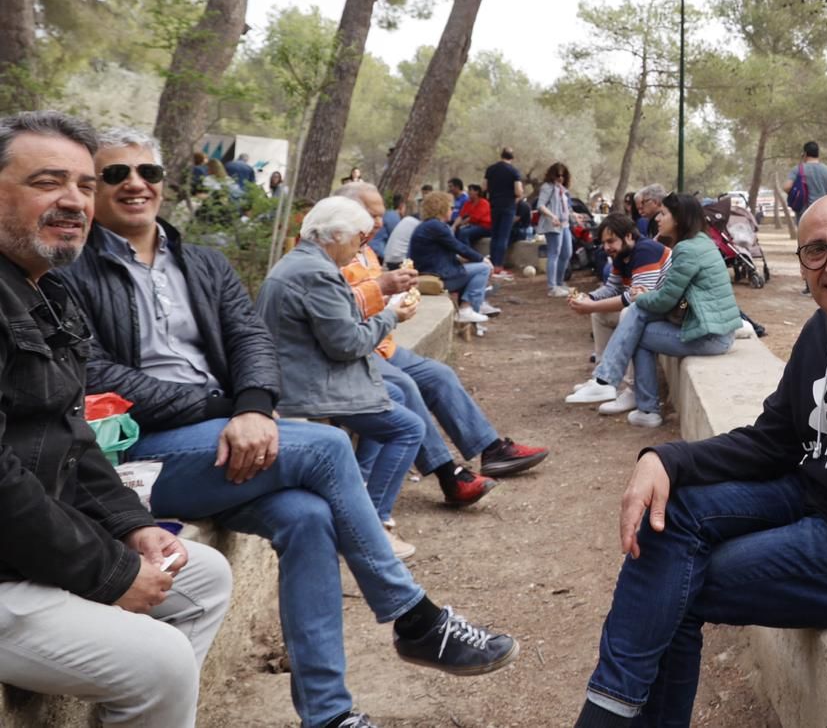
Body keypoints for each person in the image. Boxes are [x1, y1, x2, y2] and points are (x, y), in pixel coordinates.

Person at [62, 128, 516, 728]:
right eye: (116, 175)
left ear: (164, 182)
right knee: (328, 446)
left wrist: (251, 405)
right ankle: (416, 620)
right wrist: (221, 409)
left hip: (224, 435)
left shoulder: (201, 262)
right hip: (136, 453)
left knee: (309, 517)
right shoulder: (71, 271)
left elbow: (252, 339)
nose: (136, 184)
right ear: (94, 190)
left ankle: (328, 715)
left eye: (148, 171)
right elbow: (93, 372)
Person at [569, 195, 827, 728]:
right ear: (801, 263)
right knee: (668, 516)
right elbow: (771, 441)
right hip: (812, 499)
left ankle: (605, 720)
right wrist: (665, 459)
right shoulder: (820, 332)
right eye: (816, 251)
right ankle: (611, 709)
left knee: (676, 587)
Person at [0, 111, 233, 727]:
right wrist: (109, 572)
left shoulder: (45, 292)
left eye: (82, 185)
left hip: (30, 546)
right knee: (162, 661)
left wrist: (131, 527)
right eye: (48, 182)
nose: (73, 201)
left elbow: (71, 438)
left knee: (202, 574)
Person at [337, 182, 548, 504]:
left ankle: (491, 450)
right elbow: (334, 311)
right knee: (405, 387)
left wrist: (394, 296)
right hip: (358, 352)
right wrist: (383, 292)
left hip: (383, 344)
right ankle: (449, 476)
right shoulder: (333, 252)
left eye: (381, 215)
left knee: (439, 375)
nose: (380, 222)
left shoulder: (365, 250)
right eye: (372, 215)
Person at [257, 197, 428, 541]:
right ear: (335, 235)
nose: (361, 249)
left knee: (393, 392)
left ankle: (361, 487)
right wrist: (392, 316)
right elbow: (348, 343)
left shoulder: (299, 263)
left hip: (298, 372)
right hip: (304, 386)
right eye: (358, 240)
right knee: (409, 429)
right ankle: (370, 526)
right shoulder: (318, 273)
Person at [566, 193, 741, 428]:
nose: (658, 218)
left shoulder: (687, 250)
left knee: (638, 319)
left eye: (664, 213)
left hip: (711, 337)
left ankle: (625, 393)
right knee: (638, 316)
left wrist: (640, 296)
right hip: (709, 327)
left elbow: (664, 301)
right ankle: (619, 391)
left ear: (678, 219)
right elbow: (667, 295)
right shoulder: (699, 242)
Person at [566, 212, 672, 416]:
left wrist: (591, 305)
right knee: (600, 314)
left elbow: (639, 299)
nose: (606, 247)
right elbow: (612, 288)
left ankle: (630, 390)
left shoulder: (646, 251)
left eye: (611, 241)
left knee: (627, 314)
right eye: (604, 242)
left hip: (671, 311)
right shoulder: (622, 255)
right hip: (653, 311)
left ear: (629, 236)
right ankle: (602, 380)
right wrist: (589, 298)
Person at [410, 190, 493, 325]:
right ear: (442, 208)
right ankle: (467, 309)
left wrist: (468, 259)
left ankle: (476, 306)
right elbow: (459, 247)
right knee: (483, 269)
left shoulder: (428, 225)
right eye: (451, 207)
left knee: (476, 271)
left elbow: (446, 253)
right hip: (438, 275)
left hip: (433, 271)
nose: (453, 211)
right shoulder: (436, 226)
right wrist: (482, 259)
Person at [485, 148, 523, 280]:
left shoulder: (491, 169)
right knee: (503, 236)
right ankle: (498, 266)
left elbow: (484, 187)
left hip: (494, 205)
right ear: (512, 157)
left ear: (501, 155)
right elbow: (518, 191)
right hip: (508, 206)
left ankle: (491, 265)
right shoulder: (514, 171)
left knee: (494, 235)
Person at [538, 161, 575, 298]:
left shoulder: (563, 191)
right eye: (558, 175)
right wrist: (552, 216)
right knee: (554, 253)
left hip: (565, 225)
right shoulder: (547, 187)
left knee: (567, 253)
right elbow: (540, 205)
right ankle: (552, 286)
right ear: (552, 175)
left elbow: (567, 208)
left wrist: (575, 215)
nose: (561, 178)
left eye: (563, 175)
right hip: (553, 225)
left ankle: (559, 283)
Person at [781, 140, 827, 218]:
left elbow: (787, 187)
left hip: (805, 213)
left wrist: (796, 193)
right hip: (824, 212)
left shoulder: (797, 170)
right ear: (818, 154)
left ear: (805, 154)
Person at [382, 194, 421, 270]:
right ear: (401, 206)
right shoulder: (395, 217)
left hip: (388, 258)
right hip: (398, 261)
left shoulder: (405, 220)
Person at [454, 183, 493, 249]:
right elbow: (461, 216)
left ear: (477, 192)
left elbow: (474, 218)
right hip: (473, 226)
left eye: (470, 190)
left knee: (464, 233)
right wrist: (454, 226)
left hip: (485, 227)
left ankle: (467, 255)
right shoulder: (468, 203)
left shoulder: (483, 202)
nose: (468, 192)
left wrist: (460, 224)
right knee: (456, 232)